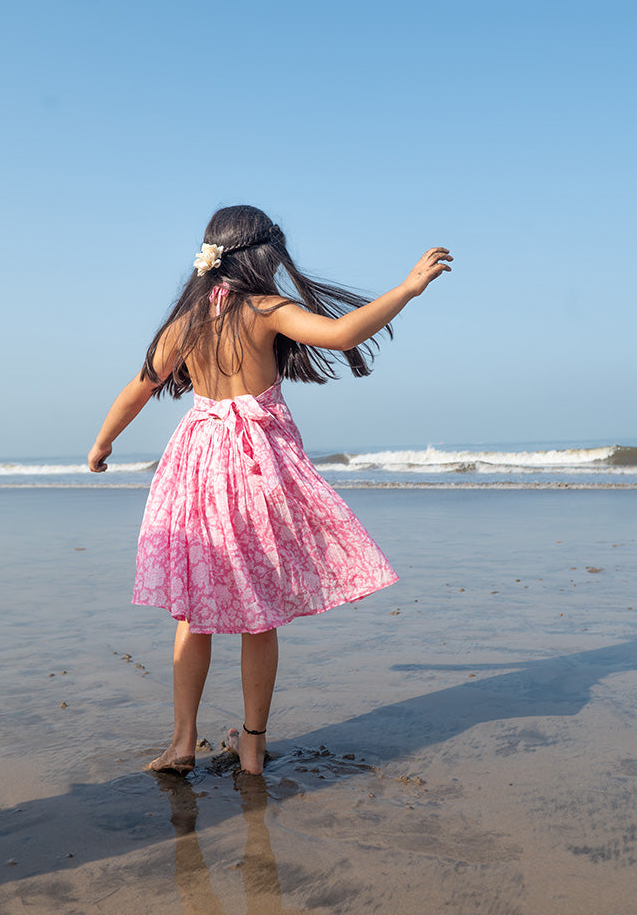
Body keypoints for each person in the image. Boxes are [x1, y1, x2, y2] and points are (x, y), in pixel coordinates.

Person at [88, 205, 452, 775]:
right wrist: (407, 288)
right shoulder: (264, 308)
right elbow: (339, 334)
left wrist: (103, 443)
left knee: (193, 610)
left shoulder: (188, 320)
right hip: (256, 471)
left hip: (197, 467)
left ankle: (183, 742)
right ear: (262, 255)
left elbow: (141, 386)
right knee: (259, 616)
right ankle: (252, 747)